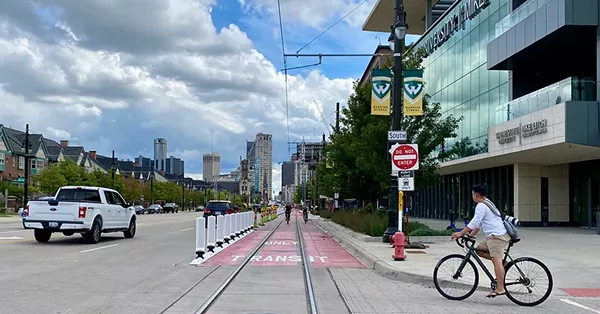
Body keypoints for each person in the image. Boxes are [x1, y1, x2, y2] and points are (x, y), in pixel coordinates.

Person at [451, 184, 510, 298]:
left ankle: (500, 288)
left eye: (473, 194)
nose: (472, 196)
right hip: (493, 236)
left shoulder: (481, 206)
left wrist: (460, 233)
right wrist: (469, 235)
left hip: (497, 237)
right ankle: (504, 264)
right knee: (479, 250)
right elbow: (479, 224)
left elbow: (474, 222)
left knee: (496, 261)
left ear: (476, 195)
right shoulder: (488, 202)